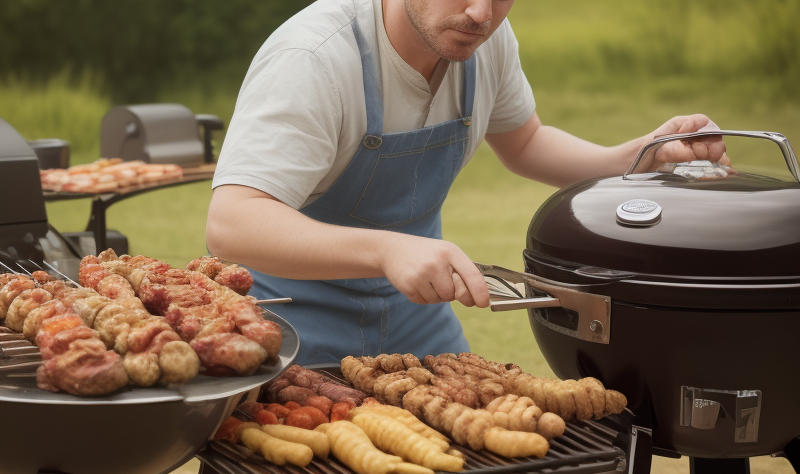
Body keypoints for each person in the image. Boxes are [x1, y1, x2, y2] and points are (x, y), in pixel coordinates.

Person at [207, 0, 726, 365]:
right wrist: (388, 250)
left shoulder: (482, 41)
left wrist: (640, 156)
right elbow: (233, 222)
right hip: (291, 327)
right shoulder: (313, 58)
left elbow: (525, 143)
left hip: (416, 318)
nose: (481, 13)